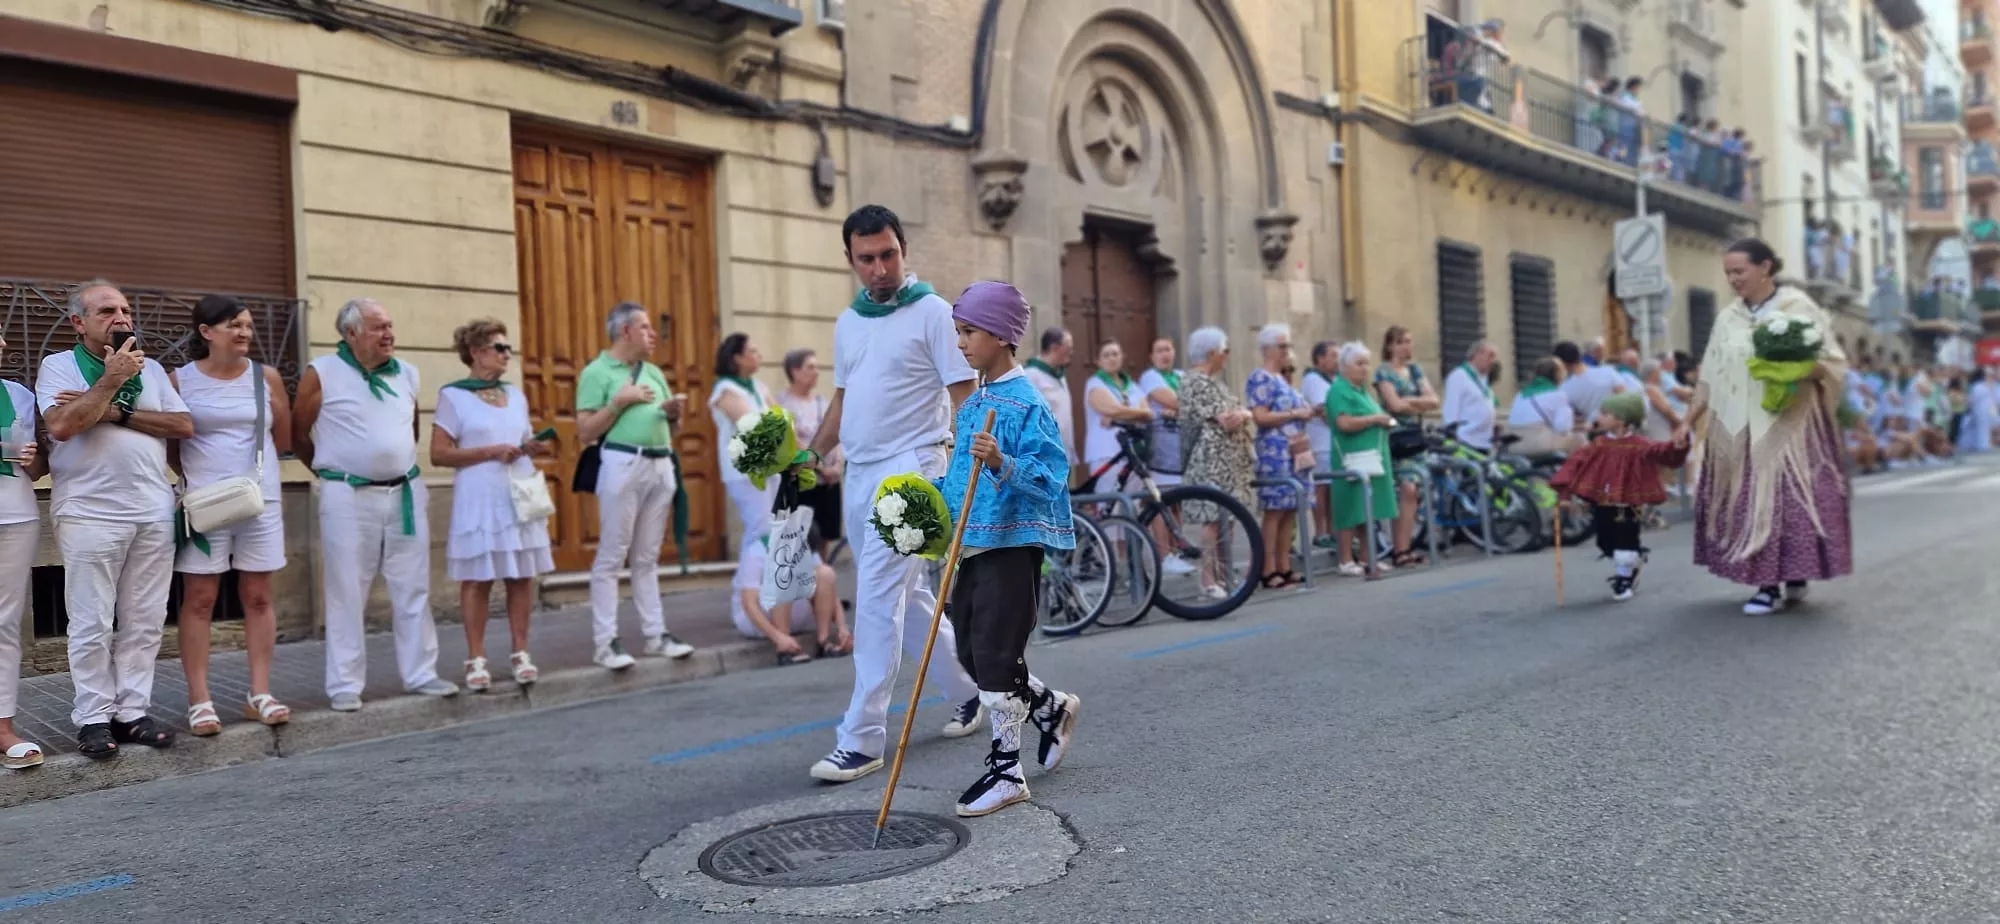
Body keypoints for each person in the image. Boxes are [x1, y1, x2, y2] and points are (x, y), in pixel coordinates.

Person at [801, 205, 986, 783]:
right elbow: (841, 400)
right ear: (850, 260)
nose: (880, 268)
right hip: (858, 471)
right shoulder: (848, 322)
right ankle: (972, 689)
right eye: (867, 258)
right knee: (909, 599)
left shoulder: (933, 312)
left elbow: (965, 394)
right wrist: (809, 456)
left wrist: (963, 474)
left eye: (889, 254)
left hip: (913, 470)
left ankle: (861, 739)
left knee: (877, 597)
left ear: (904, 250)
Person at [939, 281, 1082, 818]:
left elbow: (1051, 480)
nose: (961, 343)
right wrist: (932, 510)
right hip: (970, 545)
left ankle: (1007, 770)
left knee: (997, 654)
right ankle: (1048, 706)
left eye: (969, 331)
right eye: (958, 332)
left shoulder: (1027, 405)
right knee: (973, 652)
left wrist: (1002, 461)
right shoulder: (974, 401)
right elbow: (959, 476)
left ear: (1001, 334)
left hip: (1010, 546)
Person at [39, 281, 193, 757]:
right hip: (89, 511)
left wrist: (112, 413)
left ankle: (132, 712)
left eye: (125, 309)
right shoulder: (57, 366)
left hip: (151, 507)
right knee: (91, 620)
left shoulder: (153, 370)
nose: (120, 316)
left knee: (145, 619)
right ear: (78, 322)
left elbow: (183, 425)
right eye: (106, 310)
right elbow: (62, 425)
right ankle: (92, 718)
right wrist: (109, 381)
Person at [294, 298, 457, 710]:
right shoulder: (323, 372)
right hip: (346, 495)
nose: (389, 335)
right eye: (378, 327)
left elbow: (410, 430)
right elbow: (298, 433)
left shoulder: (408, 373)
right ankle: (345, 685)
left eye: (390, 326)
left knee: (413, 585)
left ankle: (422, 673)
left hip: (403, 492)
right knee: (347, 588)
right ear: (351, 333)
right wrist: (333, 473)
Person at [1679, 238, 1853, 616]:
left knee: (1784, 503)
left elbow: (1832, 360)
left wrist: (1800, 367)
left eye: (1739, 271)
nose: (1733, 279)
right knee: (1752, 501)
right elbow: (1709, 374)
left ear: (1765, 268)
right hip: (1738, 426)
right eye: (1728, 273)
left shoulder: (1798, 306)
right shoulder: (1728, 318)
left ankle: (1780, 580)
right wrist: (1688, 420)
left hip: (1791, 423)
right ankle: (1768, 581)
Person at [171, 295, 293, 734]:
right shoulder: (180, 380)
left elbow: (283, 437)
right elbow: (174, 443)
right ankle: (199, 699)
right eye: (232, 325)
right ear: (206, 332)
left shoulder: (267, 378)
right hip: (206, 505)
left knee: (259, 596)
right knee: (200, 599)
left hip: (260, 501)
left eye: (246, 324)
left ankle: (259, 693)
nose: (243, 332)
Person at [431, 318, 556, 692]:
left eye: (507, 349)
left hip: (517, 489)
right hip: (479, 493)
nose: (506, 355)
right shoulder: (453, 396)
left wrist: (532, 445)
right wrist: (489, 451)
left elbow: (523, 436)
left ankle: (521, 652)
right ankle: (476, 657)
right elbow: (439, 454)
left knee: (520, 575)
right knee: (478, 578)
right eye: (499, 348)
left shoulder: (515, 395)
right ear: (476, 352)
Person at [575, 301, 697, 672]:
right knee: (612, 554)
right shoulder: (596, 372)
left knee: (647, 557)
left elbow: (671, 428)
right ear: (625, 331)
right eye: (645, 328)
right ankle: (604, 642)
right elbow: (585, 432)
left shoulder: (654, 372)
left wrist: (674, 416)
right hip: (623, 462)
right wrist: (618, 402)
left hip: (660, 463)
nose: (653, 334)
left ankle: (656, 635)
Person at [1549, 392, 1691, 602]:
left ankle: (1624, 577)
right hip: (1602, 500)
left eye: (1606, 414)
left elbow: (1663, 452)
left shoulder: (1640, 444)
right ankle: (1631, 561)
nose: (1600, 417)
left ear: (1621, 420)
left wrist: (1677, 446)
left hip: (1629, 501)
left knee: (1626, 535)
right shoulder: (1597, 445)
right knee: (1605, 540)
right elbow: (1574, 465)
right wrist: (1564, 493)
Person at [1177, 328, 1257, 601]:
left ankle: (1225, 576)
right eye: (1225, 350)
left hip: (1229, 462)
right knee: (1211, 521)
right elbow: (1228, 418)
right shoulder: (1194, 382)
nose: (1227, 357)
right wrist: (1242, 414)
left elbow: (1240, 412)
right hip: (1209, 461)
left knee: (1229, 519)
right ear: (1212, 353)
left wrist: (1243, 414)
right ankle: (1208, 578)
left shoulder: (1217, 383)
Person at [0, 331, 47, 770]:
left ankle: (3, 727)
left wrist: (31, 456)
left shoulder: (18, 394)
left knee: (5, 624)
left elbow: (37, 468)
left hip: (16, 516)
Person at [1245, 324, 1314, 589]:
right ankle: (1267, 568)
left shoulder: (1283, 380)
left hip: (1293, 449)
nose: (1287, 351)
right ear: (1267, 349)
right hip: (1275, 451)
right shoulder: (1260, 377)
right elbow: (1260, 416)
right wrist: (1295, 414)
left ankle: (1284, 565)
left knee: (1289, 509)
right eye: (1282, 346)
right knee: (1274, 511)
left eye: (1288, 346)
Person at [1325, 342, 1401, 577]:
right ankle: (1346, 559)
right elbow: (1343, 423)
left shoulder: (1363, 391)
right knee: (1349, 508)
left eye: (1367, 363)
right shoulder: (1339, 390)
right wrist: (1374, 420)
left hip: (1373, 457)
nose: (1365, 369)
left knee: (1367, 508)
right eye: (1359, 364)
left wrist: (1383, 421)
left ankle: (1369, 558)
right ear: (1344, 367)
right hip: (1351, 457)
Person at [730, 523, 850, 663]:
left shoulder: (807, 547)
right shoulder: (757, 552)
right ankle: (785, 649)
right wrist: (778, 638)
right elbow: (749, 604)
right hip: (760, 619)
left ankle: (823, 641)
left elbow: (830, 592)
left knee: (825, 573)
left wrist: (842, 628)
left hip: (794, 610)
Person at [710, 333, 782, 561]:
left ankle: (767, 590)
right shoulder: (726, 390)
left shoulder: (759, 387)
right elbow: (751, 424)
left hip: (770, 466)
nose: (758, 356)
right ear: (737, 358)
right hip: (745, 471)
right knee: (758, 529)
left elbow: (781, 420)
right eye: (752, 351)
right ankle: (746, 591)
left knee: (774, 529)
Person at [778, 348, 844, 558]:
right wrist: (821, 467)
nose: (816, 372)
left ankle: (822, 581)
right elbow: (792, 440)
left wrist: (837, 467)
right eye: (810, 367)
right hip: (803, 481)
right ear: (795, 371)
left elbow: (838, 434)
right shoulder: (783, 404)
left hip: (829, 482)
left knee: (825, 534)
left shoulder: (822, 403)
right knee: (803, 535)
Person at [1080, 339, 1153, 490]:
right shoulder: (1095, 383)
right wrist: (1133, 413)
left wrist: (1119, 414)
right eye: (1106, 355)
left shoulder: (1133, 386)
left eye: (1115, 354)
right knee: (1110, 502)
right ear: (1098, 361)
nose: (1112, 358)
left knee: (1133, 504)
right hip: (1106, 453)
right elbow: (1111, 409)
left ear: (1122, 357)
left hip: (1133, 453)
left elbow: (1148, 414)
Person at [1300, 341, 1339, 547]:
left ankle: (1333, 530)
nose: (1338, 360)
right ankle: (1321, 531)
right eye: (1333, 355)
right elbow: (1324, 411)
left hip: (1334, 443)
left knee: (1332, 488)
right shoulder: (1314, 379)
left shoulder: (1335, 379)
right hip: (1321, 443)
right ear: (1320, 359)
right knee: (1322, 487)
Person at [1022, 327, 1076, 473]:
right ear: (1055, 348)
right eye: (1068, 348)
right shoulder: (1031, 375)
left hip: (1062, 453)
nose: (1071, 352)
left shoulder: (1060, 377)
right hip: (1044, 458)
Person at [1507, 357, 1581, 457]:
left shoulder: (1520, 394)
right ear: (1559, 375)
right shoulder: (1558, 395)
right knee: (1579, 439)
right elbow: (1563, 428)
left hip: (1513, 444)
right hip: (1538, 444)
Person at [1137, 337, 1184, 486]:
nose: (1165, 355)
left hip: (1184, 443)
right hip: (1163, 445)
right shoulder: (1150, 377)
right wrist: (1185, 407)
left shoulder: (1182, 375)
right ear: (1152, 356)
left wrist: (1180, 410)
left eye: (1168, 349)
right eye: (1159, 351)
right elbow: (1175, 401)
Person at [1373, 326, 1439, 428]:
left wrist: (1409, 400)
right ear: (1389, 347)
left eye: (1408, 342)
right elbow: (1396, 406)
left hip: (1415, 428)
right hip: (1394, 430)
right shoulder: (1384, 371)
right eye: (1399, 343)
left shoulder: (1414, 369)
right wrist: (1422, 407)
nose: (1405, 346)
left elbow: (1434, 401)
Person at [1441, 342, 1499, 452]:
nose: (1493, 361)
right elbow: (1451, 408)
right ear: (1477, 354)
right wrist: (1452, 434)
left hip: (1484, 441)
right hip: (1466, 440)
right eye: (1490, 356)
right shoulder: (1459, 376)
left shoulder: (1484, 379)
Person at [1557, 339, 1626, 423]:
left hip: (1592, 428)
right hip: (1617, 426)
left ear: (1562, 363)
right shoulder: (1608, 372)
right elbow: (1624, 395)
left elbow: (1569, 418)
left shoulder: (1564, 388)